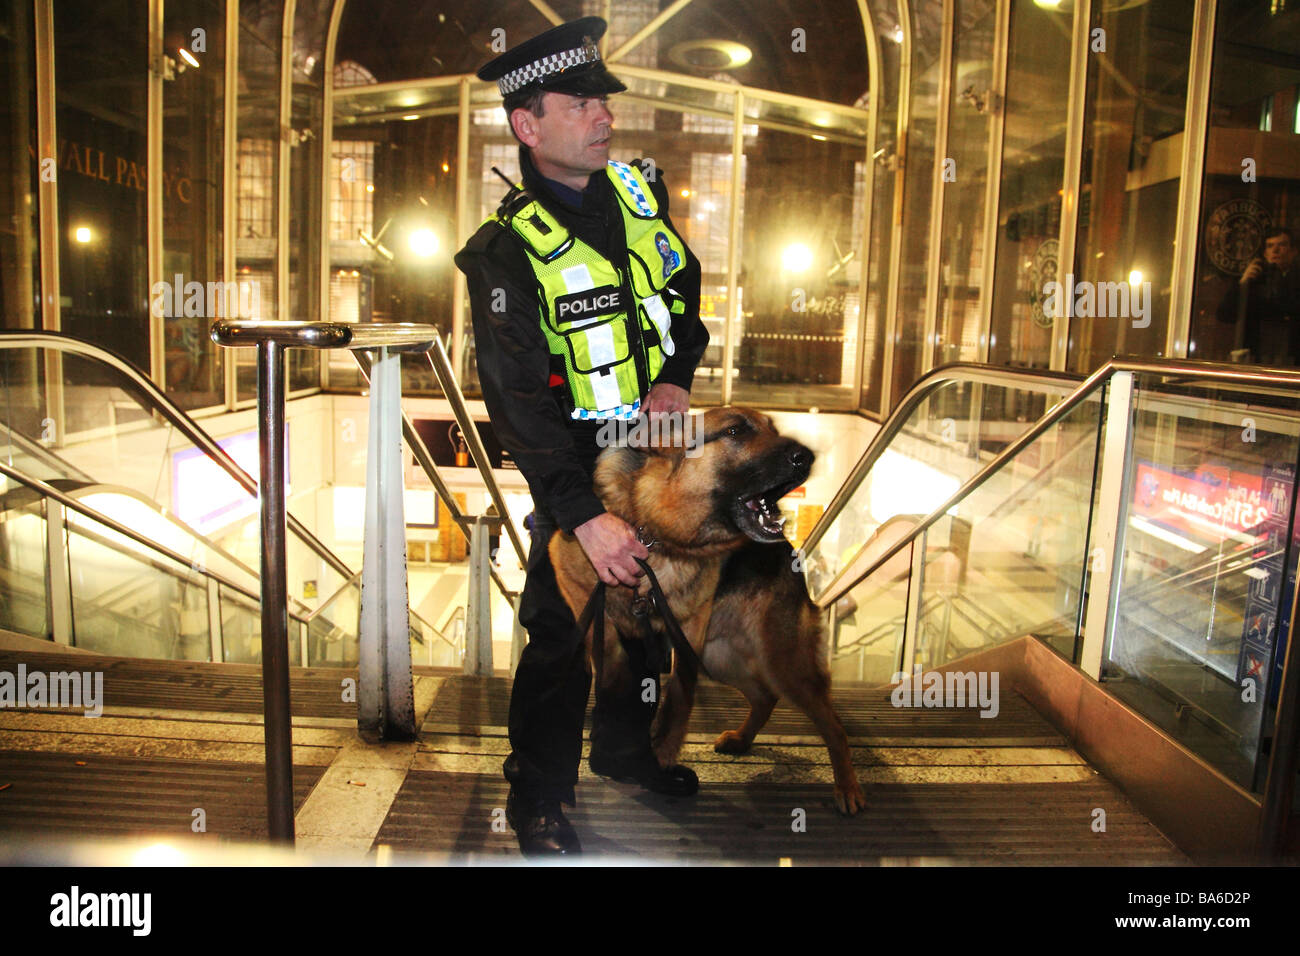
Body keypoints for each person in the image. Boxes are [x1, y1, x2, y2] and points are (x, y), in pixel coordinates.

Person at [454, 16, 710, 857]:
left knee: (647, 617)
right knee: (562, 637)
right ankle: (539, 795)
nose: (603, 116)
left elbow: (681, 294)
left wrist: (676, 370)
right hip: (574, 474)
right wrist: (581, 515)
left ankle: (627, 754)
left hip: (650, 463)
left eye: (603, 99)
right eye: (579, 102)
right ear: (528, 127)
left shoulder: (640, 197)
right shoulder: (502, 257)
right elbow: (518, 404)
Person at [1217, 227, 1300, 365]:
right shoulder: (1255, 280)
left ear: (1293, 251)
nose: (1275, 250)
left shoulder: (1295, 280)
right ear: (1265, 253)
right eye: (1270, 246)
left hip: (1291, 359)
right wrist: (1243, 284)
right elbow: (1224, 314)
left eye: (1282, 245)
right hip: (1258, 359)